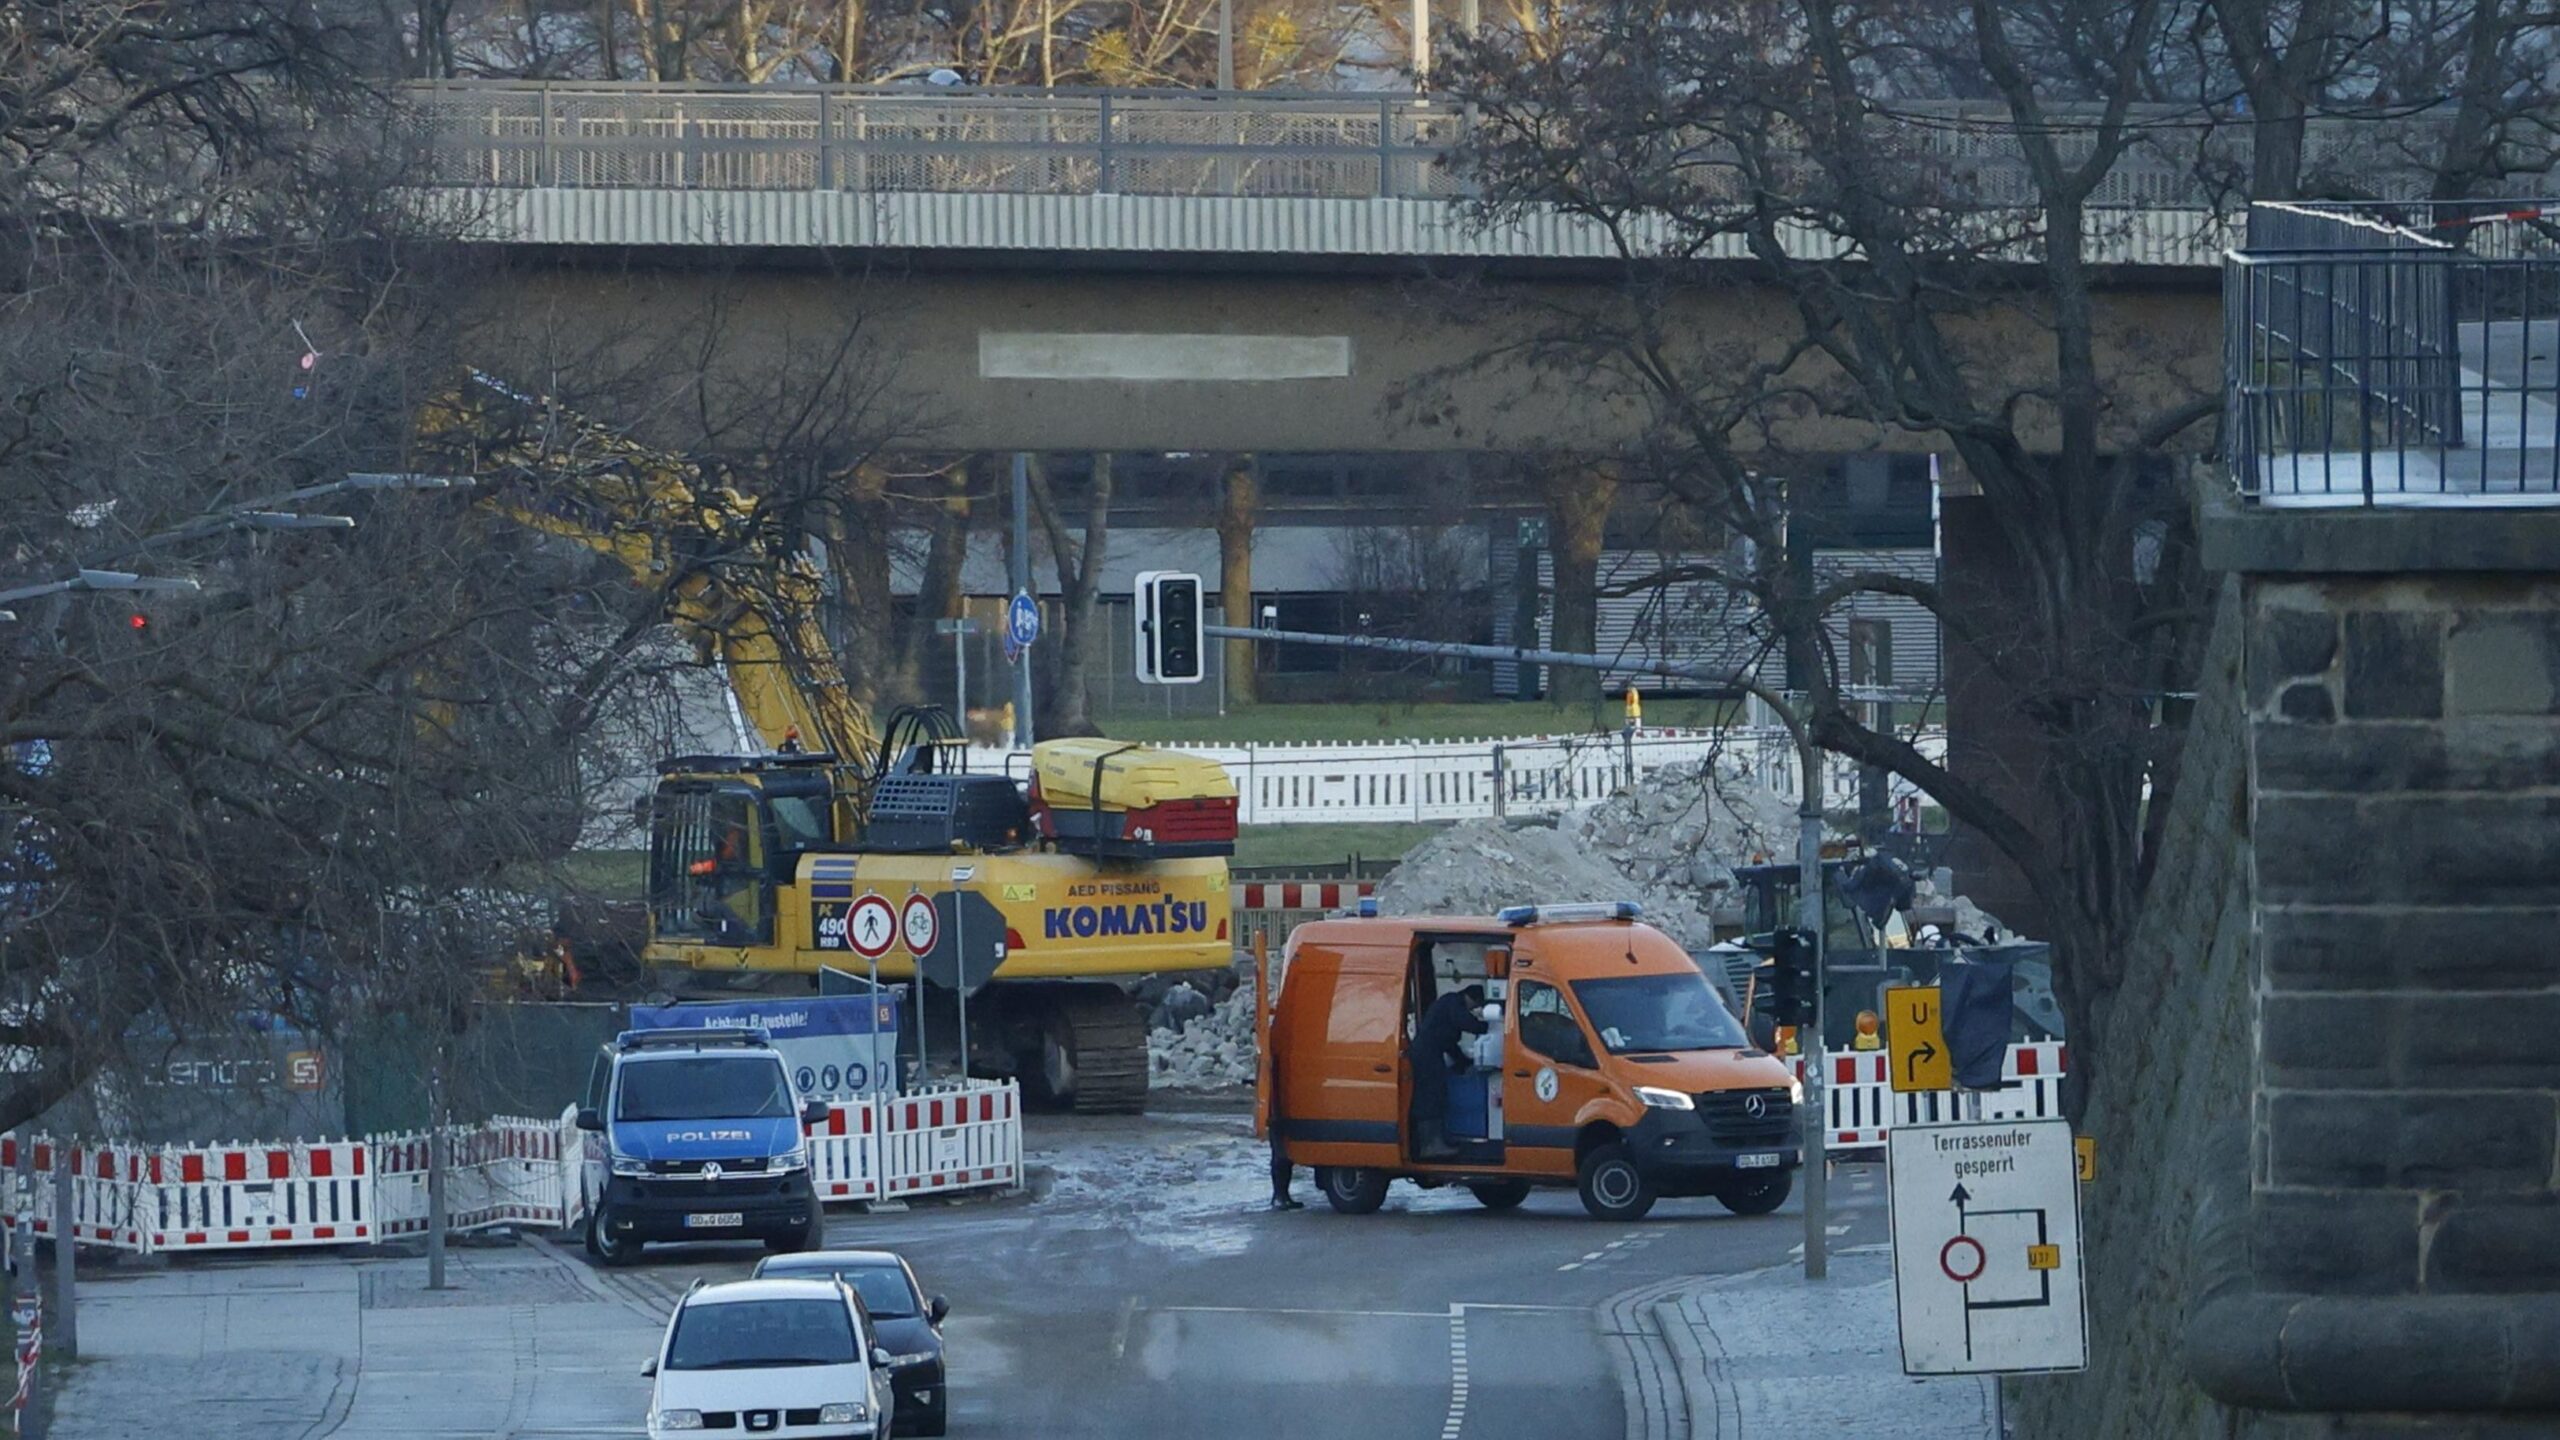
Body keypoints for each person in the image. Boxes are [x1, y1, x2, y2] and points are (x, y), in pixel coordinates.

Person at [1410, 982, 1489, 1160]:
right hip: (1426, 1055)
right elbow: (1463, 1022)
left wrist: (1463, 1061)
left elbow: (1449, 1043)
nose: (1473, 1009)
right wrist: (1487, 1027)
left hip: (1429, 1053)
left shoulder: (1448, 1005)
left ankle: (1434, 1142)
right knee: (1432, 1095)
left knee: (1436, 1093)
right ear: (1469, 997)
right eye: (1475, 1005)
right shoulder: (1454, 1002)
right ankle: (1430, 1144)